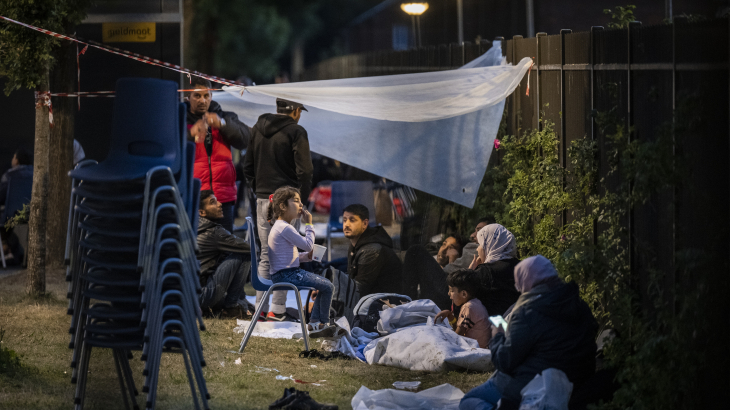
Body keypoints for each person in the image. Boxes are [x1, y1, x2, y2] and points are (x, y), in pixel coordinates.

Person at [460, 255, 598, 410]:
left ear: (524, 280)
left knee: (469, 400)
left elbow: (504, 362)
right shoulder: (578, 303)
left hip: (536, 383)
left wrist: (498, 334)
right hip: (576, 382)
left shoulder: (528, 311)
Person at [243, 98, 313, 321]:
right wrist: (300, 199)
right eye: (300, 111)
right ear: (294, 111)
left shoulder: (257, 128)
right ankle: (278, 310)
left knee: (266, 253)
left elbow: (247, 166)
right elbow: (305, 170)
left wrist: (260, 190)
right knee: (287, 256)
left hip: (264, 198)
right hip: (288, 201)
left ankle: (260, 309)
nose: (300, 115)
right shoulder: (296, 131)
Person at [187, 77, 252, 233]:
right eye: (197, 96)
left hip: (223, 196)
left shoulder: (225, 116)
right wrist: (190, 134)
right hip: (194, 195)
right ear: (188, 97)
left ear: (211, 96)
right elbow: (170, 147)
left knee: (226, 248)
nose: (202, 100)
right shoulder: (179, 119)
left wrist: (222, 124)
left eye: (206, 96)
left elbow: (245, 139)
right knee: (198, 249)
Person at [267, 186, 334, 334]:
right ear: (283, 206)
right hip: (287, 275)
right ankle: (322, 324)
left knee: (324, 285)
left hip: (284, 273)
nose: (301, 205)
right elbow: (308, 244)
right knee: (328, 286)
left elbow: (285, 257)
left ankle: (316, 323)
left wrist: (305, 257)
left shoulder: (281, 226)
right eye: (296, 201)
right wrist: (309, 223)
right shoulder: (285, 228)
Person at [402, 217, 494, 309]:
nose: (472, 235)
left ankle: (405, 302)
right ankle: (408, 305)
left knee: (416, 251)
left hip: (451, 288)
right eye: (444, 244)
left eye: (479, 230)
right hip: (446, 289)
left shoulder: (482, 248)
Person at [196, 190, 252, 319]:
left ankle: (231, 305)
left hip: (192, 296)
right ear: (201, 212)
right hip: (203, 295)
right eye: (213, 202)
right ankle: (231, 307)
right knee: (244, 254)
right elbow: (249, 249)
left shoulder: (194, 227)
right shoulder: (214, 232)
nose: (220, 204)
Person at [343, 203, 403, 296]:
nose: (346, 225)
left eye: (352, 220)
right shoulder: (356, 244)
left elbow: (358, 290)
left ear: (365, 223)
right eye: (344, 220)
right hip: (372, 300)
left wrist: (328, 288)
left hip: (386, 305)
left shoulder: (371, 250)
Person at [469, 224, 521, 317]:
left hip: (493, 328)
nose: (477, 249)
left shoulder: (485, 272)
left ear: (489, 244)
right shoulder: (523, 267)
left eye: (480, 244)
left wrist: (470, 272)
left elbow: (461, 297)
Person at [435, 269, 491, 348]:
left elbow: (456, 337)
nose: (448, 293)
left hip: (477, 351)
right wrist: (450, 316)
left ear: (464, 294)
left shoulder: (468, 307)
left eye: (451, 290)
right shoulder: (476, 303)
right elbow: (459, 330)